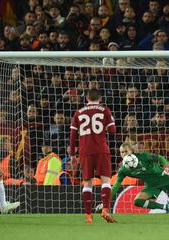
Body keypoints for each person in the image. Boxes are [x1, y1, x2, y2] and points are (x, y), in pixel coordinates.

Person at [70, 88, 116, 224]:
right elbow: (113, 130)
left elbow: (73, 136)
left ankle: (89, 216)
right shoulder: (105, 110)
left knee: (87, 182)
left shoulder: (78, 113)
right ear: (100, 98)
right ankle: (105, 210)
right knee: (106, 180)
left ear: (87, 98)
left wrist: (73, 154)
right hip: (101, 149)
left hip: (85, 151)